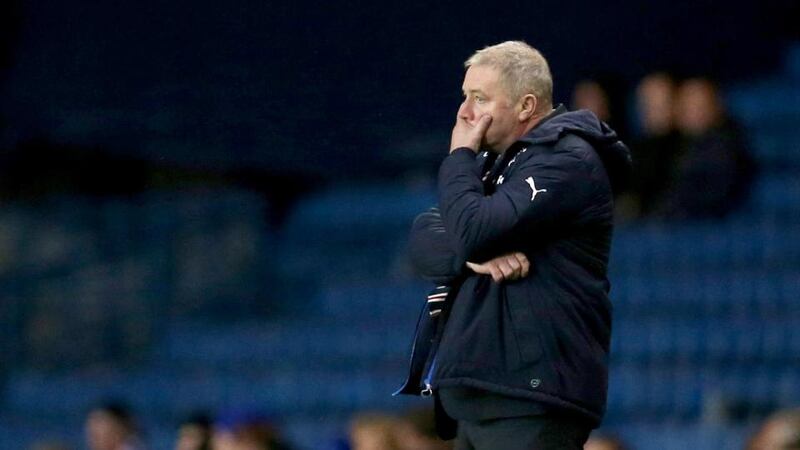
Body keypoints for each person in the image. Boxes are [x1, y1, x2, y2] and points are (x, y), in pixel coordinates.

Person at [396, 41, 632, 450]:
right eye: (465, 97)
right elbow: (423, 238)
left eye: (480, 98)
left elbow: (470, 230)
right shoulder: (494, 165)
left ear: (525, 106)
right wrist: (474, 257)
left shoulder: (566, 160)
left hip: (530, 394)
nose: (464, 114)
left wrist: (459, 159)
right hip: (478, 392)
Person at [656, 77, 754, 219]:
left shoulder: (722, 150)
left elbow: (710, 198)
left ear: (716, 107)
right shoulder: (668, 146)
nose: (693, 111)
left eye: (700, 105)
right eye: (687, 105)